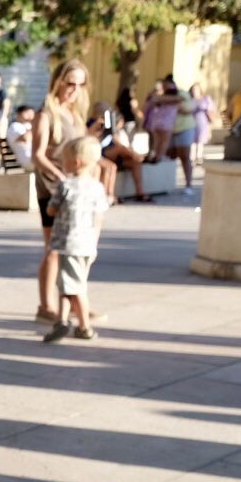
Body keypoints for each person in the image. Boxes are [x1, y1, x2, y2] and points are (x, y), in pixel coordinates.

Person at [32, 60, 90, 322]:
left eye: (79, 85)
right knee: (54, 249)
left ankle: (77, 305)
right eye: (70, 84)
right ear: (58, 82)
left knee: (75, 249)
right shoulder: (46, 114)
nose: (74, 90)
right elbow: (38, 155)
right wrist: (60, 177)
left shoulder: (75, 114)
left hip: (76, 190)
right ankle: (46, 306)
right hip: (52, 189)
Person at [42, 136, 110, 343]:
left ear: (76, 162)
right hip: (87, 243)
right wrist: (94, 244)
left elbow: (51, 209)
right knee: (67, 284)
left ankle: (84, 326)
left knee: (76, 287)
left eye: (64, 159)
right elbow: (99, 217)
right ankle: (61, 320)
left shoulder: (66, 186)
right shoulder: (97, 188)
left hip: (67, 243)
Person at [88, 101, 151, 203]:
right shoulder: (91, 123)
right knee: (118, 152)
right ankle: (139, 156)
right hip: (100, 152)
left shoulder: (109, 124)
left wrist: (114, 131)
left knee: (134, 163)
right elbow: (89, 140)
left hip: (113, 153)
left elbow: (116, 140)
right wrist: (97, 129)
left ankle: (139, 192)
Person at [143, 77, 179, 164]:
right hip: (166, 124)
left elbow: (147, 106)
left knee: (157, 142)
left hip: (156, 123)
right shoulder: (174, 99)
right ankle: (159, 157)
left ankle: (155, 156)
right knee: (164, 141)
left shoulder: (157, 98)